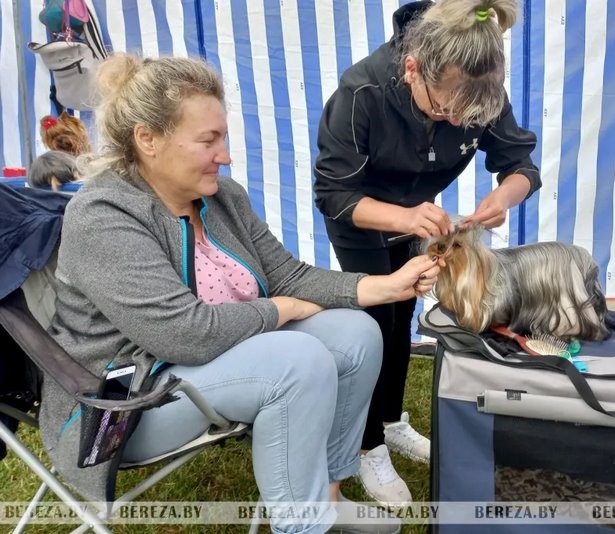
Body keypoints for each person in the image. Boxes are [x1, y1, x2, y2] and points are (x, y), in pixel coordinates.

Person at [40, 53, 443, 534]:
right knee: (296, 361)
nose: (225, 154)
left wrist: (386, 286)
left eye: (223, 137)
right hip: (121, 403)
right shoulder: (102, 215)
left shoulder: (221, 196)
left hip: (203, 364)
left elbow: (287, 275)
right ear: (148, 138)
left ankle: (327, 499)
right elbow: (184, 335)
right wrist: (280, 310)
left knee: (356, 333)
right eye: (208, 140)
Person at [314, 0, 541, 505]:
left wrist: (503, 197)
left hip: (417, 220)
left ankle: (392, 422)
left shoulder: (479, 86)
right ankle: (367, 445)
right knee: (374, 328)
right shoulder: (362, 93)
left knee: (405, 314)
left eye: (467, 117)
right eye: (443, 110)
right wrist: (403, 217)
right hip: (362, 222)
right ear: (412, 69)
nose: (454, 121)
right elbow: (333, 193)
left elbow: (522, 165)